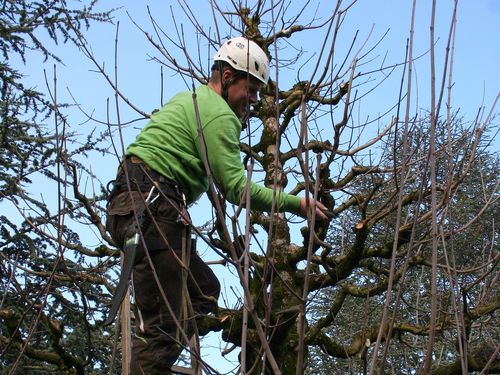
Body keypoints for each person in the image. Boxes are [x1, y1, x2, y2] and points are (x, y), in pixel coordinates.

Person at [105, 36, 328, 374]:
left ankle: (154, 343)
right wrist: (296, 204)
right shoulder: (218, 116)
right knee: (164, 329)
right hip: (154, 210)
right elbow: (238, 190)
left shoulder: (190, 99)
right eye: (250, 89)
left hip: (130, 206)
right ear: (227, 77)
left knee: (203, 290)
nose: (252, 101)